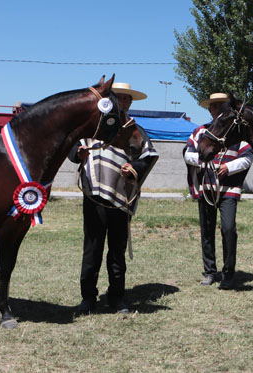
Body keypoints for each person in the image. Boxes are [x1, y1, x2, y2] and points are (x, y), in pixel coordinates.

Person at [69, 82, 158, 314]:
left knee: (117, 251)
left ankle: (117, 297)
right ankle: (88, 297)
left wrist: (134, 167)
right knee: (92, 248)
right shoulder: (95, 125)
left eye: (127, 99)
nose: (123, 102)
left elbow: (149, 156)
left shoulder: (135, 129)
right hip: (94, 195)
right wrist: (78, 154)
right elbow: (74, 148)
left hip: (120, 197)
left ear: (130, 102)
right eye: (119, 98)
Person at [183, 92, 253, 290]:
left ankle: (229, 273)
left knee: (228, 229)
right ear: (209, 109)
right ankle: (209, 271)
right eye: (214, 106)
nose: (217, 109)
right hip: (207, 188)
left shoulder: (238, 135)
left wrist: (229, 168)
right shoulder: (200, 131)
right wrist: (201, 161)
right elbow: (188, 153)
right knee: (207, 230)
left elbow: (248, 157)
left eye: (221, 106)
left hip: (228, 189)